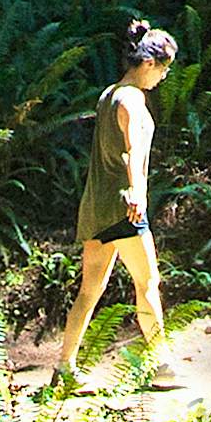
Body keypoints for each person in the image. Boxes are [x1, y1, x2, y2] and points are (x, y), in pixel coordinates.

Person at [48, 21, 173, 375]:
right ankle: (162, 364)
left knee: (90, 288)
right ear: (149, 63)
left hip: (96, 207)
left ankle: (65, 367)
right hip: (124, 208)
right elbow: (133, 149)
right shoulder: (132, 100)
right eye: (164, 69)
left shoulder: (109, 94)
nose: (163, 77)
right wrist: (138, 192)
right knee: (148, 283)